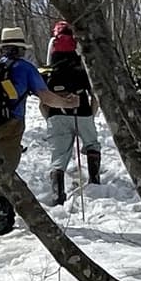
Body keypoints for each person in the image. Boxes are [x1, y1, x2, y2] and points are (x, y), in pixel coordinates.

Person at [0, 26, 78, 235]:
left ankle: (0, 218)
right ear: (21, 49)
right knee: (5, 171)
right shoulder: (25, 68)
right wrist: (67, 102)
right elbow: (45, 96)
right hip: (11, 124)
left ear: (3, 47)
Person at [41, 21, 101, 206]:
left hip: (56, 115)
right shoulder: (83, 70)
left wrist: (51, 117)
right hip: (82, 111)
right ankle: (94, 180)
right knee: (92, 143)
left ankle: (57, 192)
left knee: (59, 155)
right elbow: (95, 98)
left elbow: (43, 104)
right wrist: (90, 114)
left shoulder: (48, 72)